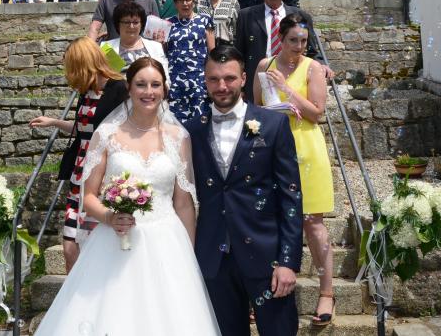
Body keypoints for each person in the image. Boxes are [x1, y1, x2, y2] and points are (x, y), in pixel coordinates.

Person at [34, 57, 221, 336]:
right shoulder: (106, 134)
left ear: (164, 89)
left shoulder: (178, 137)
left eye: (155, 85)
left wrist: (189, 256)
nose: (149, 91)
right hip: (114, 240)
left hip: (167, 242)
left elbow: (183, 203)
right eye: (141, 84)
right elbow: (88, 196)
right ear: (129, 88)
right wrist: (109, 216)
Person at [187, 45, 303, 336]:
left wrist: (288, 262)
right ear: (204, 80)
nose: (221, 86)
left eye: (229, 78)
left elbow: (291, 197)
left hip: (267, 257)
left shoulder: (274, 125)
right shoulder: (191, 131)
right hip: (214, 260)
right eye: (213, 79)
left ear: (243, 78)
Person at [253, 12, 336, 327]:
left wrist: (286, 89)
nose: (299, 46)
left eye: (303, 41)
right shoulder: (265, 66)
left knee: (312, 223)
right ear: (281, 38)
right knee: (270, 221)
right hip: (273, 148)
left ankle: (327, 292)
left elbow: (316, 112)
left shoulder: (313, 68)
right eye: (293, 40)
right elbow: (256, 108)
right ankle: (265, 290)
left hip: (306, 147)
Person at [29, 37, 129, 271]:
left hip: (103, 177)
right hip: (79, 174)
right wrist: (54, 122)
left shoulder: (119, 89)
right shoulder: (86, 91)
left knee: (98, 247)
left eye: (71, 66)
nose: (69, 74)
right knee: (70, 247)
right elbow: (84, 129)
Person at [234, 0, 321, 101]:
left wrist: (322, 65)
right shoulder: (246, 16)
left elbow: (312, 50)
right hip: (257, 80)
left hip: (293, 80)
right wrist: (239, 86)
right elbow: (238, 53)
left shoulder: (301, 16)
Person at [164, 0, 215, 124]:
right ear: (175, 3)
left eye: (188, 0)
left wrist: (211, 79)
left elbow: (212, 52)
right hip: (175, 82)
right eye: (181, 0)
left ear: (194, 1)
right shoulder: (167, 23)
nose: (185, 4)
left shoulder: (205, 20)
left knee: (200, 123)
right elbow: (163, 53)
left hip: (199, 81)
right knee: (175, 124)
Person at [102, 2, 169, 80]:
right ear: (118, 24)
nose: (131, 26)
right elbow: (104, 78)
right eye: (126, 22)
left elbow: (165, 78)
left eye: (135, 22)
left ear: (142, 24)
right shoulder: (107, 48)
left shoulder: (155, 46)